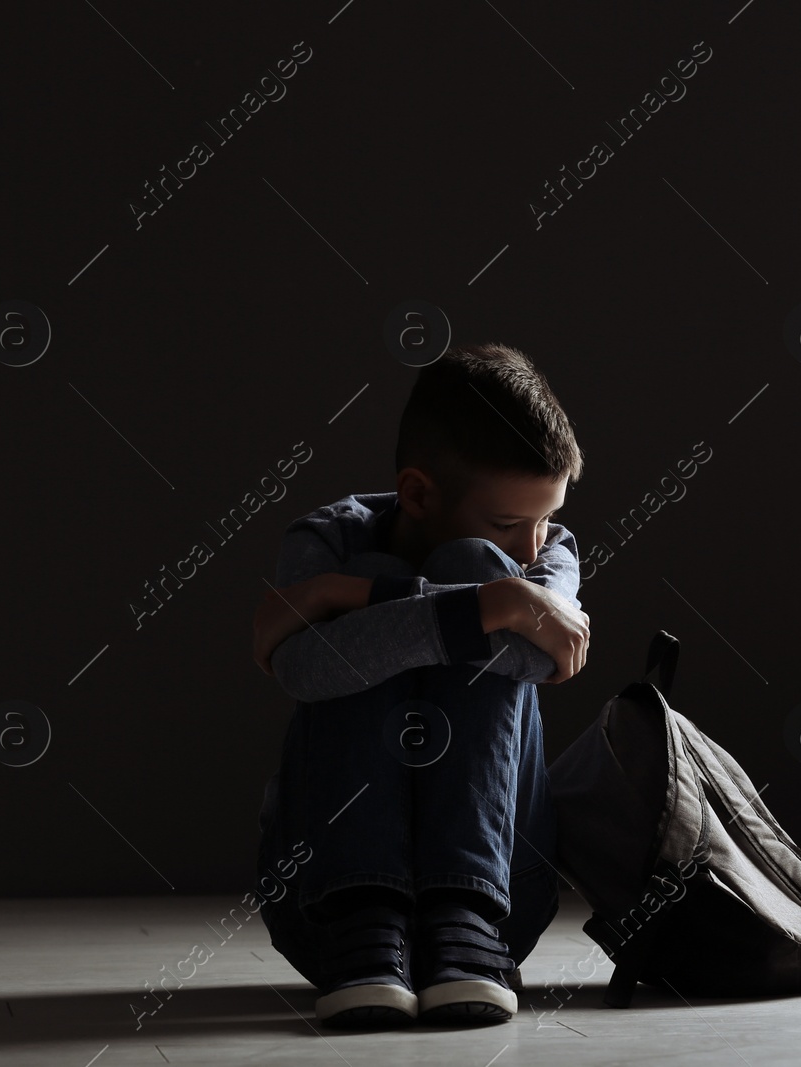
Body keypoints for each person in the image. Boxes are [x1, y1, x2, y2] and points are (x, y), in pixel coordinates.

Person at [251, 342, 590, 1028]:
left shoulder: (552, 551)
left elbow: (539, 658)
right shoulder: (329, 539)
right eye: (509, 524)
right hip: (325, 905)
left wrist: (343, 596)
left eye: (544, 519)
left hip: (496, 904)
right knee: (476, 579)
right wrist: (489, 604)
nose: (533, 548)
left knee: (475, 567)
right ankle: (366, 905)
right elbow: (303, 670)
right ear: (416, 493)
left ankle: (460, 905)